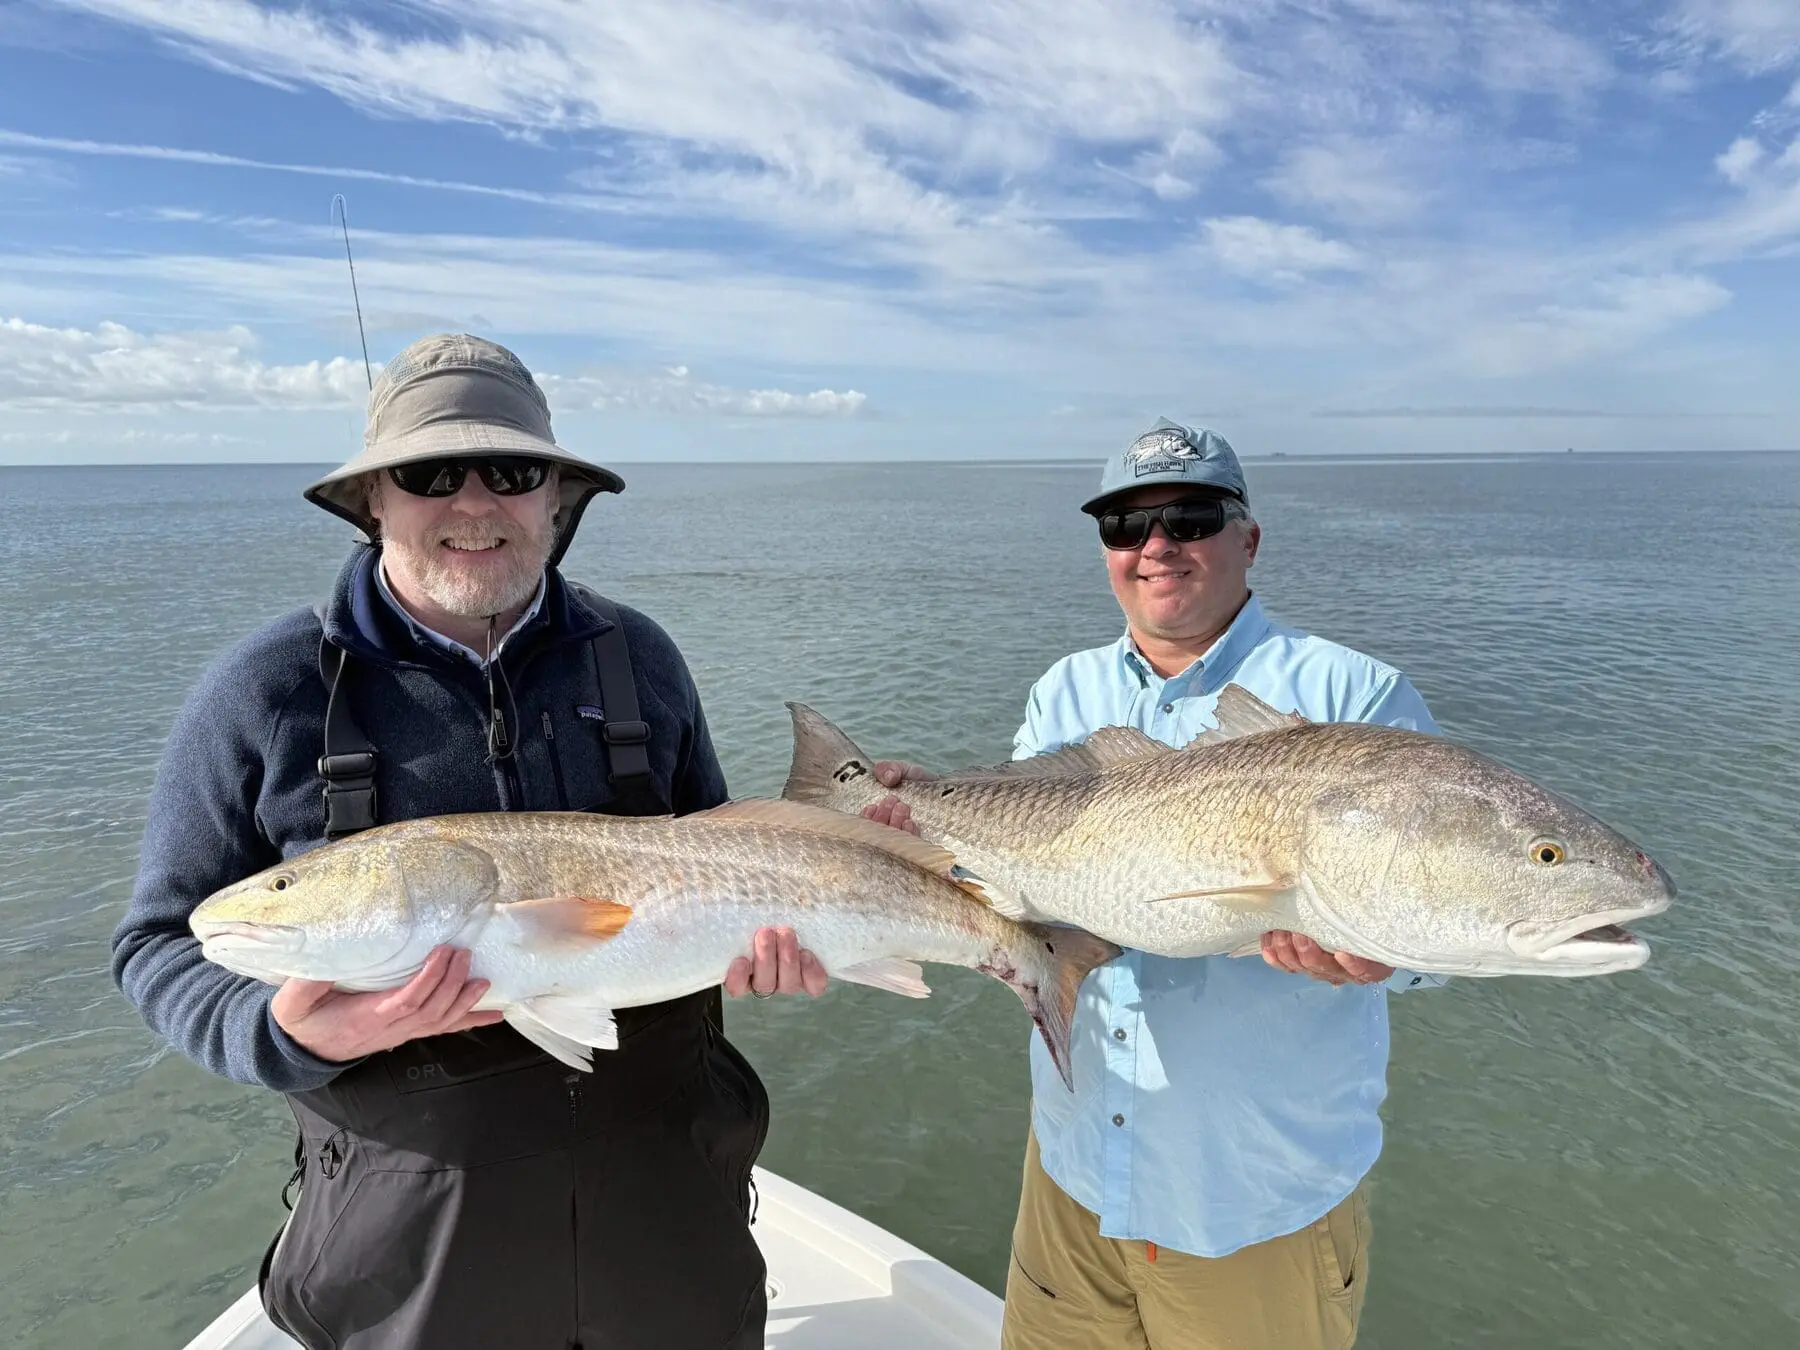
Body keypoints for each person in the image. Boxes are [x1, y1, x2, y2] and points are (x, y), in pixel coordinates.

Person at [111, 333, 824, 1350]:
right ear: (375, 502)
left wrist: (771, 946)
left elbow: (719, 859)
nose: (475, 502)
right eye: (431, 473)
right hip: (415, 1246)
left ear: (556, 500)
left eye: (514, 472)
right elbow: (160, 945)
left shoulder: (642, 659)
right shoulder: (263, 691)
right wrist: (284, 1036)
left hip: (670, 1203)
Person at [866, 419, 1446, 1349]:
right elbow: (1029, 893)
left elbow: (1441, 919)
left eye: (1191, 516)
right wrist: (915, 834)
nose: (1157, 546)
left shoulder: (1354, 696)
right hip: (1075, 1174)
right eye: (1125, 526)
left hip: (1252, 1205)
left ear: (1248, 538)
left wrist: (1385, 961)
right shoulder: (1065, 689)